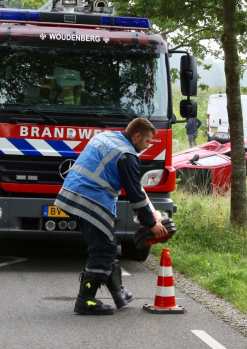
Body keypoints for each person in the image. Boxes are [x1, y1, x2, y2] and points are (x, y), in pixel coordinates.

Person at [54, 118, 167, 315]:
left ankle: (118, 294)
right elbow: (135, 195)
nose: (147, 146)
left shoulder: (108, 137)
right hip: (90, 199)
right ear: (137, 136)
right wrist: (151, 224)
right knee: (103, 249)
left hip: (72, 193)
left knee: (106, 243)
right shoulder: (127, 155)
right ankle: (85, 300)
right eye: (147, 141)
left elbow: (134, 186)